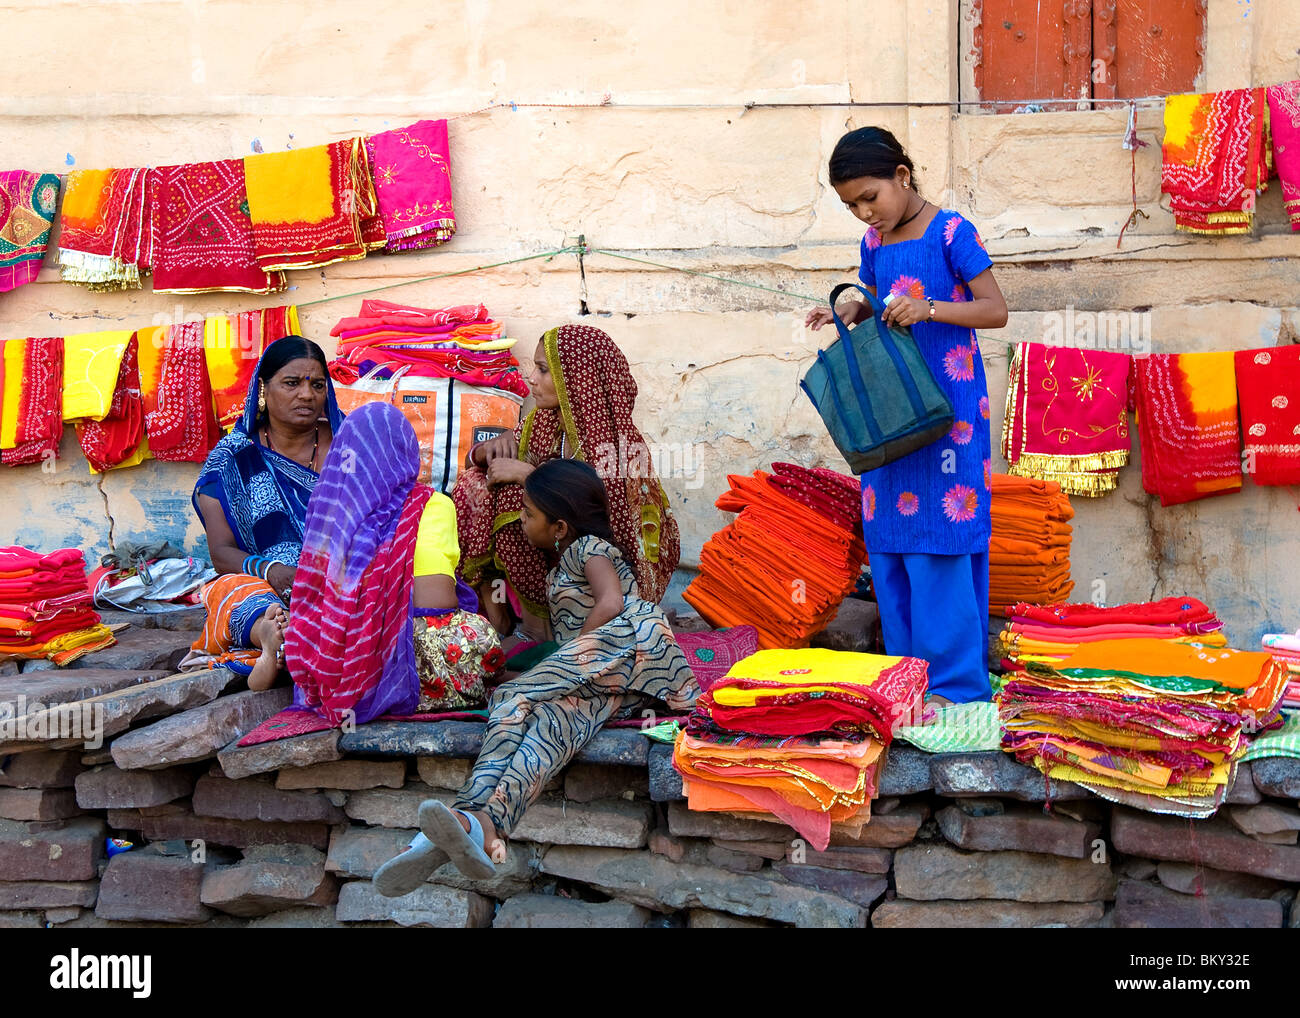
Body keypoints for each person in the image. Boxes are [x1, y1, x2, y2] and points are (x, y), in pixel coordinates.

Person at [374, 458, 698, 894]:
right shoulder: (560, 566)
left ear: (561, 527)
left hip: (625, 644)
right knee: (545, 732)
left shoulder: (590, 549)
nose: (522, 520)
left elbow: (611, 604)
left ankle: (461, 821)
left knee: (511, 697)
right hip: (609, 687)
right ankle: (479, 823)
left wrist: (567, 661)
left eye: (528, 514)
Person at [806, 126, 1008, 705]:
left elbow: (995, 309)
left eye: (870, 196)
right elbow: (874, 300)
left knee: (941, 543)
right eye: (851, 206)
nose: (864, 213)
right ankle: (905, 679)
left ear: (901, 176)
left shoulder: (951, 231)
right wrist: (851, 306)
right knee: (892, 545)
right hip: (890, 413)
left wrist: (931, 307)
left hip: (950, 412)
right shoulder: (873, 245)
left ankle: (955, 685)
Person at [452, 323, 679, 639]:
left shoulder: (613, 444)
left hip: (605, 571)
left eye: (543, 370)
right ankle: (502, 616)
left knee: (519, 494)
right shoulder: (544, 422)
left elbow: (599, 521)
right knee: (476, 484)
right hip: (555, 547)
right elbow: (472, 463)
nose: (532, 378)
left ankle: (537, 629)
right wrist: (486, 450)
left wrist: (527, 474)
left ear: (577, 381)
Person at [285, 401, 505, 725]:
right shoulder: (432, 503)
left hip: (339, 665)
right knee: (478, 633)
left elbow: (313, 602)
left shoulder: (328, 508)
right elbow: (436, 603)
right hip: (419, 669)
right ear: (406, 451)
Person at [187, 336, 343, 691]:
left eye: (317, 384)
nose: (306, 394)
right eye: (291, 383)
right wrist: (274, 572)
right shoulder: (232, 459)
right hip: (271, 586)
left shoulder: (350, 444)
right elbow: (221, 553)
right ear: (263, 388)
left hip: (341, 578)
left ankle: (296, 643)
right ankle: (270, 635)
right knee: (226, 589)